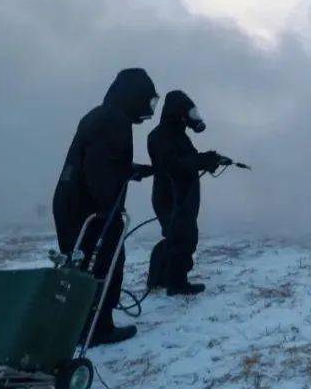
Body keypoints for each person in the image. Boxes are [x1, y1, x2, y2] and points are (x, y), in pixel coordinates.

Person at [53, 68, 158, 345]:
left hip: (70, 202)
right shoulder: (115, 121)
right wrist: (110, 206)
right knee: (105, 262)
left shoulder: (99, 115)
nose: (149, 109)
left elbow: (101, 161)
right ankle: (99, 329)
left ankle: (79, 325)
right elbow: (100, 173)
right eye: (147, 101)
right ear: (133, 96)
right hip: (91, 209)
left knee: (79, 266)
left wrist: (130, 170)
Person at [147, 91, 229, 296]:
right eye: (189, 112)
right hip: (170, 197)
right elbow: (174, 164)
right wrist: (204, 162)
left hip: (183, 195)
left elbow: (190, 159)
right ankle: (176, 284)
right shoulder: (159, 136)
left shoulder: (178, 135)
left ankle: (162, 279)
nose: (193, 117)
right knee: (181, 238)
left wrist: (212, 158)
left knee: (179, 237)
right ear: (179, 113)